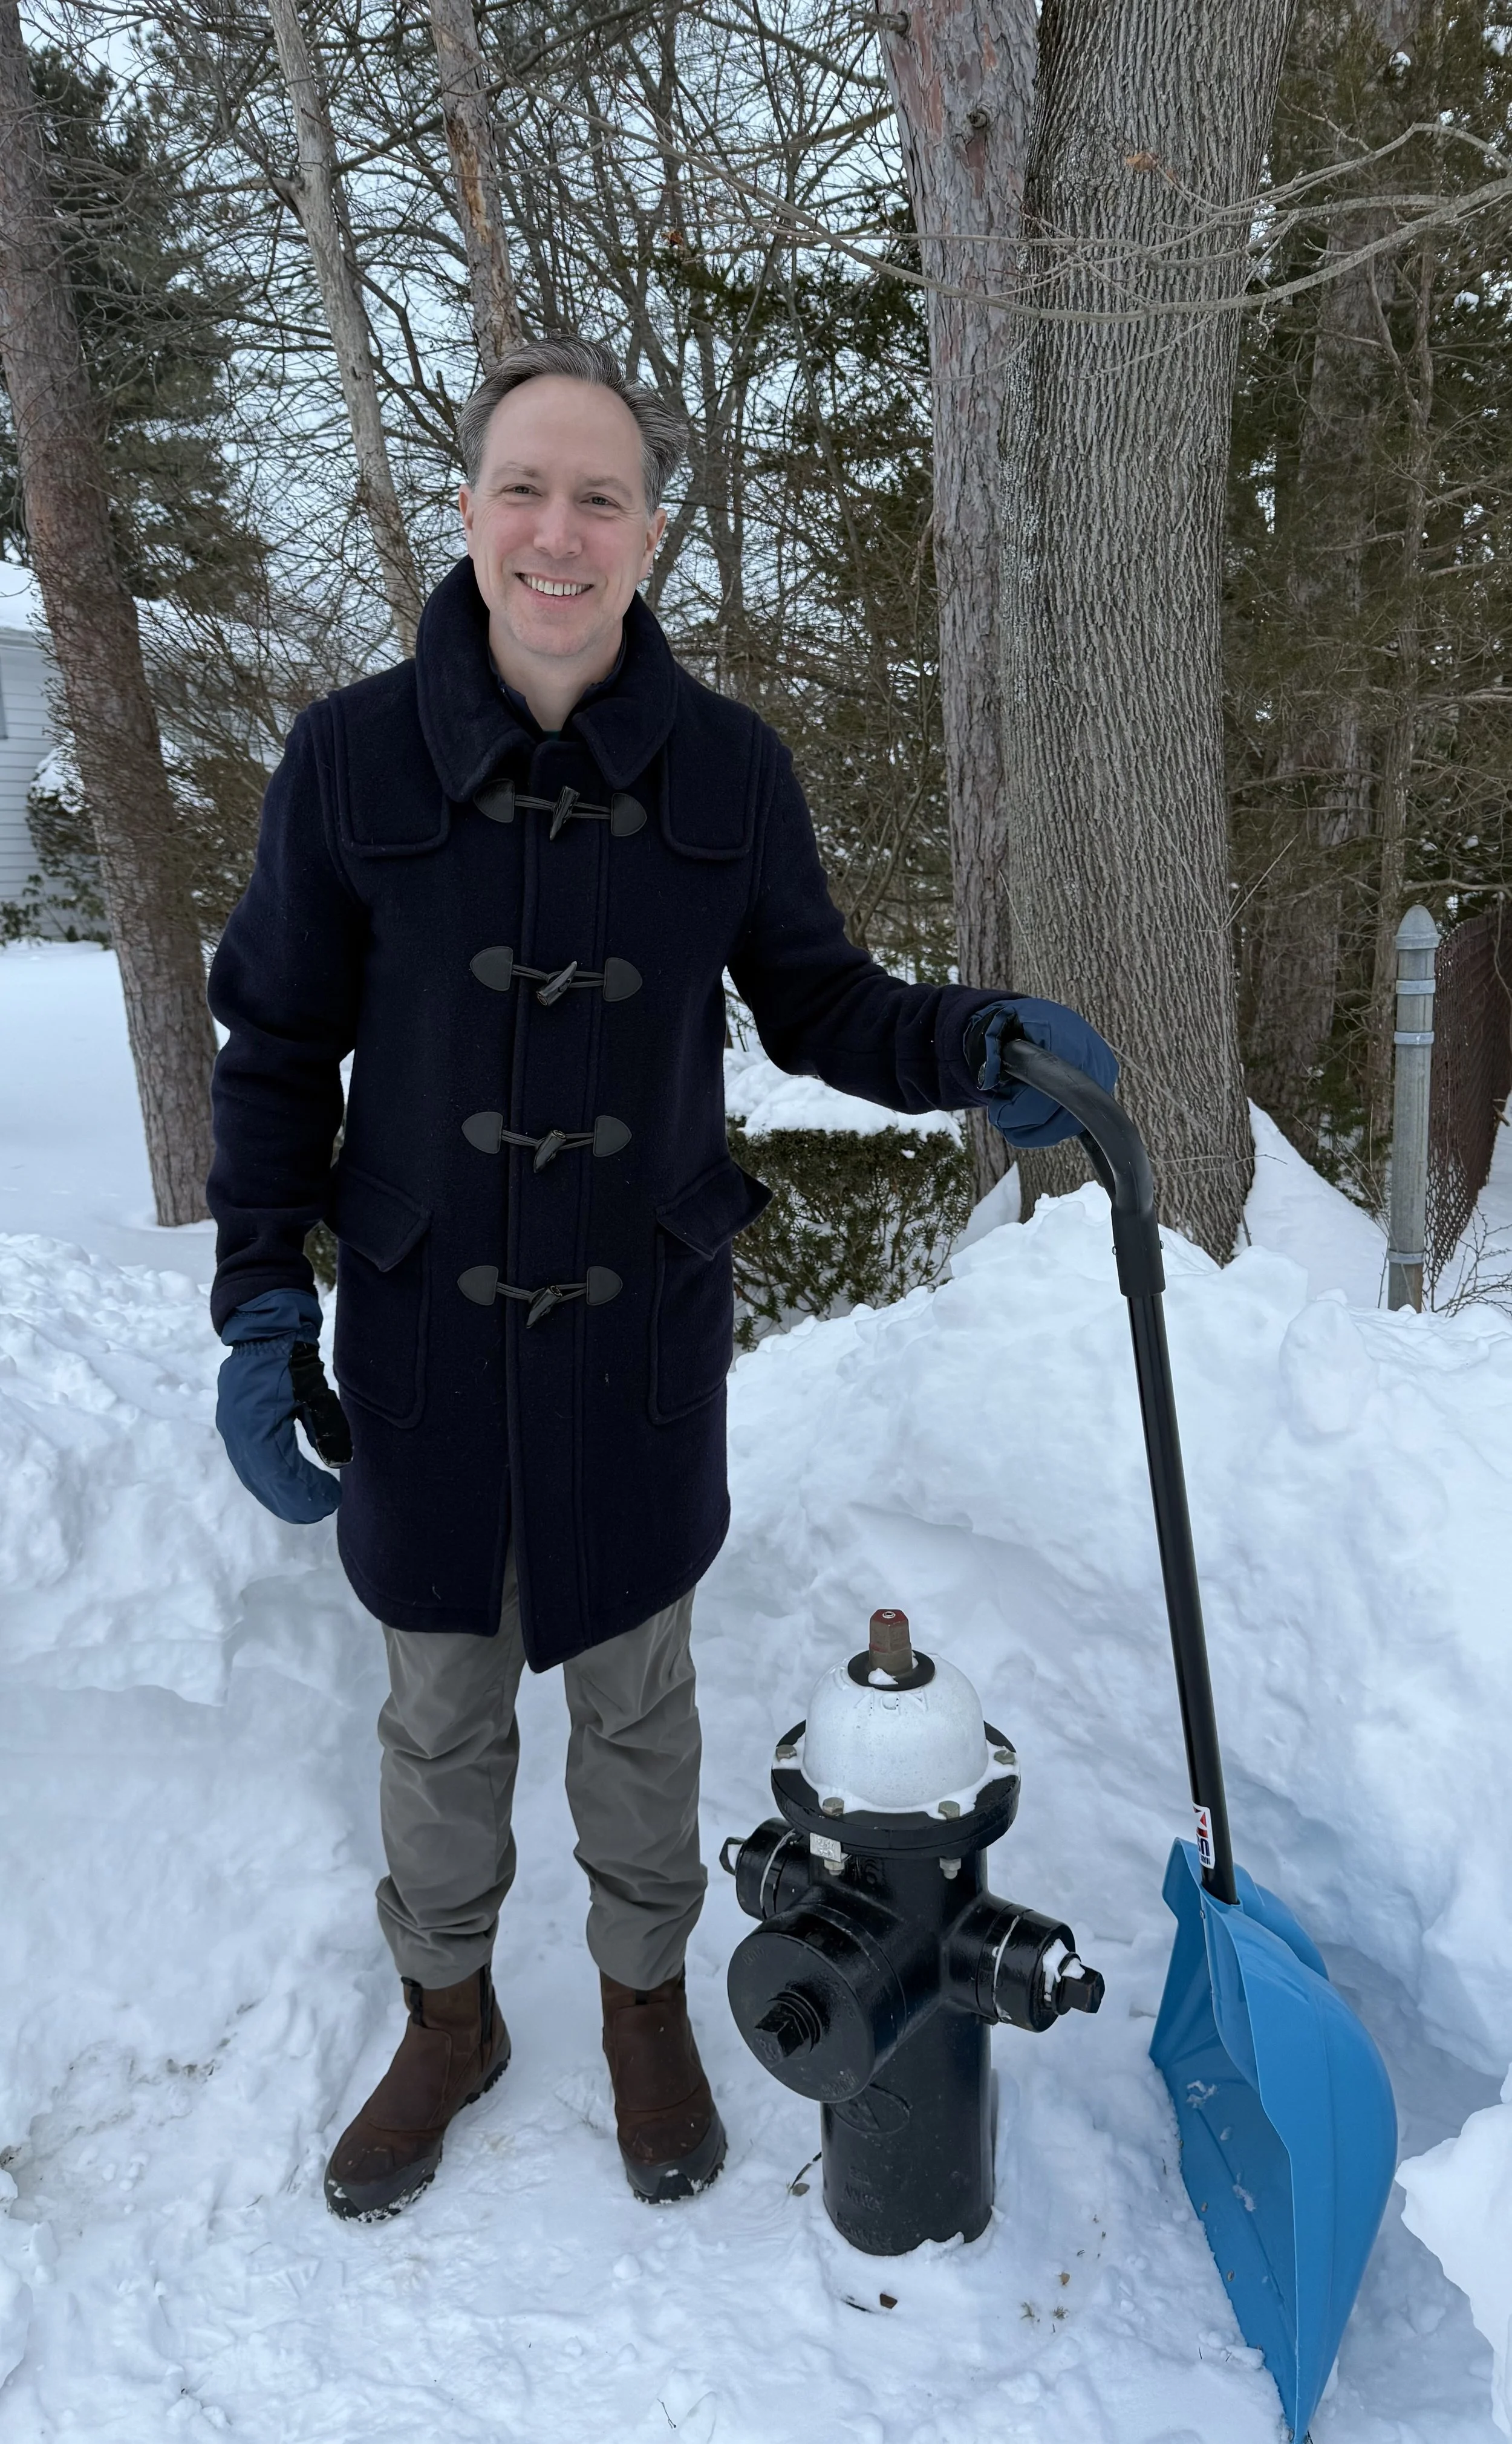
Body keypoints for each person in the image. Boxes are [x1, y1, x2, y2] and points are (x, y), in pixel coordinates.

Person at [207, 336, 1116, 2224]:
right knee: (440, 1709)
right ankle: (446, 2014)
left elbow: (821, 1002)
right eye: (524, 490)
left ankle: (639, 2002)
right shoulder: (351, 757)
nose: (559, 531)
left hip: (635, 1337)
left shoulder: (726, 770)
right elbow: (276, 1047)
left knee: (636, 1702)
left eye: (600, 496)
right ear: (466, 516)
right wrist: (260, 1307)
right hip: (425, 1336)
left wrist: (969, 1046)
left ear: (648, 533)